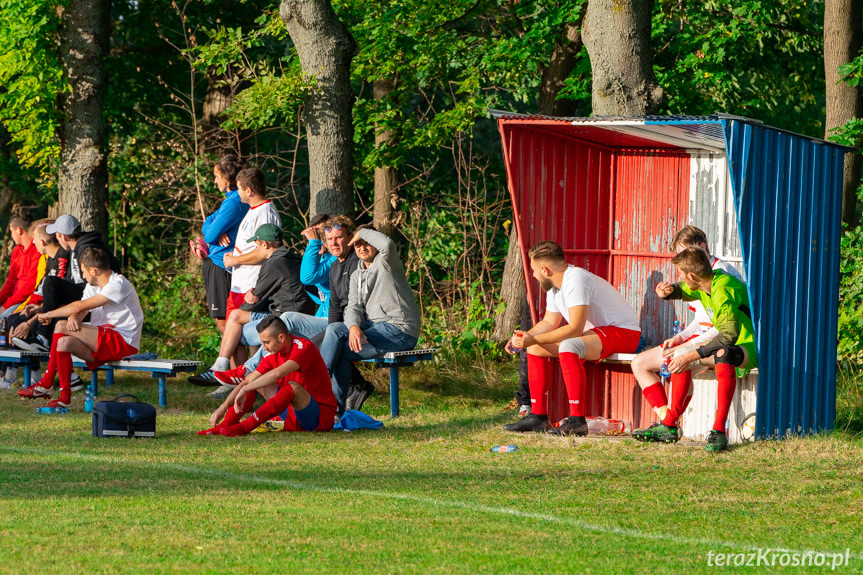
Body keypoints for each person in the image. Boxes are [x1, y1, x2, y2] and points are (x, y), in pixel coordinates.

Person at [502, 240, 641, 436]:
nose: (532, 275)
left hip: (623, 332)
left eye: (533, 270)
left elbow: (575, 328)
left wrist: (535, 338)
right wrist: (527, 336)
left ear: (545, 269)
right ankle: (538, 417)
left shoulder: (576, 279)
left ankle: (577, 421)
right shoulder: (554, 286)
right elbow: (550, 321)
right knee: (535, 349)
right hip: (595, 333)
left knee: (569, 345)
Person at [632, 247, 757, 452]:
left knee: (722, 354)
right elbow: (684, 290)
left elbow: (728, 337)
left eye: (681, 275)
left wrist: (691, 355)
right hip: (733, 343)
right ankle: (670, 426)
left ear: (692, 275)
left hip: (752, 346)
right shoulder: (705, 282)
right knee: (680, 354)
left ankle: (718, 431)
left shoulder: (723, 288)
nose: (680, 278)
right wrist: (669, 292)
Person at [17, 247, 144, 410]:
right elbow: (81, 310)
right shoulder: (94, 285)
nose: (83, 276)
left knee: (60, 324)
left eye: (84, 272)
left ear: (94, 270)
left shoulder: (118, 284)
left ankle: (47, 383)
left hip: (124, 343)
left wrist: (49, 314)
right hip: (104, 341)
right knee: (64, 343)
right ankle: (64, 399)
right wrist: (74, 318)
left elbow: (79, 305)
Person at [189, 223, 315, 384]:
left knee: (235, 328)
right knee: (235, 322)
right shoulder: (291, 258)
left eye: (257, 247)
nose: (256, 251)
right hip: (288, 314)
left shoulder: (275, 263)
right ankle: (227, 372)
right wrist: (255, 294)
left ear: (265, 244)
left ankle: (228, 372)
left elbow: (255, 301)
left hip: (285, 321)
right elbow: (267, 292)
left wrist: (252, 295)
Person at [318, 225, 421, 414]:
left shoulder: (386, 262)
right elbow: (353, 307)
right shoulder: (357, 274)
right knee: (335, 330)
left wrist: (361, 232)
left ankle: (326, 402)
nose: (362, 247)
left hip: (400, 330)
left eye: (367, 243)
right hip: (376, 327)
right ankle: (331, 405)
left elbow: (388, 244)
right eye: (357, 244)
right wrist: (354, 326)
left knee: (340, 350)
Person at [198, 314, 337, 436]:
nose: (264, 348)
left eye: (266, 342)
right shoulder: (273, 353)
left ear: (281, 338)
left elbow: (278, 373)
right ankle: (225, 425)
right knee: (255, 382)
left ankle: (245, 426)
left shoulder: (302, 347)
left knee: (292, 387)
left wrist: (246, 389)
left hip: (318, 418)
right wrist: (223, 407)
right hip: (292, 412)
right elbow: (248, 381)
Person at [220, 167, 281, 367]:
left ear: (249, 191)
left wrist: (236, 260)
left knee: (252, 338)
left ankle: (250, 385)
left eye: (238, 188)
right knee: (234, 336)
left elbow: (264, 251)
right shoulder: (253, 210)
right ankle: (232, 380)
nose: (236, 193)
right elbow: (249, 246)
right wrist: (234, 254)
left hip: (251, 284)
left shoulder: (266, 213)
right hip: (239, 283)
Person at [192, 155, 249, 336]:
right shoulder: (229, 199)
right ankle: (234, 364)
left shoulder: (234, 201)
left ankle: (235, 364)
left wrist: (215, 231)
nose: (214, 180)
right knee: (226, 322)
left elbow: (208, 235)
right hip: (220, 264)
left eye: (217, 175)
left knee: (226, 323)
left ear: (227, 177)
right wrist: (215, 228)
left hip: (221, 265)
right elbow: (208, 223)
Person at [0, 211, 41, 320]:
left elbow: (30, 286)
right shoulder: (17, 251)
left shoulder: (37, 250)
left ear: (18, 230)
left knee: (2, 319)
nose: (11, 235)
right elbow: (10, 282)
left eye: (11, 231)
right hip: (12, 300)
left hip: (25, 301)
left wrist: (5, 305)